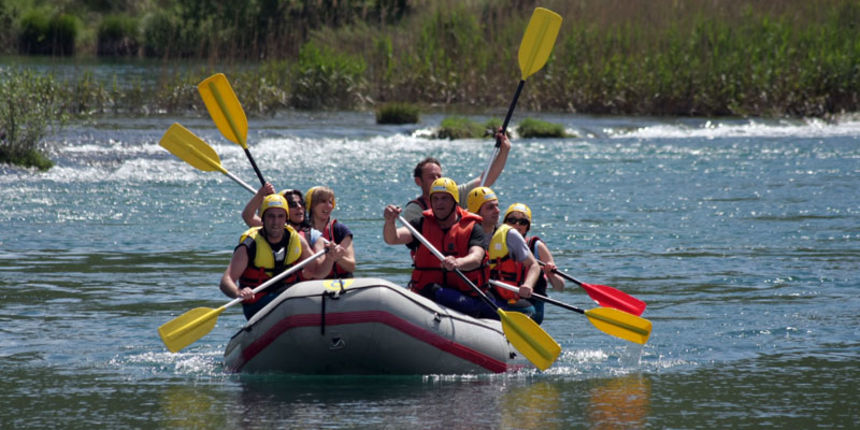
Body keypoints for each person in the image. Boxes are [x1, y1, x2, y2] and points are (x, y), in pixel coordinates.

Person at [383, 177, 495, 318]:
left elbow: (476, 257)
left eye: (444, 198)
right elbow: (393, 238)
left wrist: (458, 262)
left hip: (465, 297)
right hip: (428, 294)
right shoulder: (421, 224)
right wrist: (390, 222)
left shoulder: (473, 227)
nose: (439, 203)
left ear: (455, 201)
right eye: (435, 199)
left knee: (433, 290)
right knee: (430, 290)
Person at [220, 194, 344, 319]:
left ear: (286, 219)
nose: (276, 222)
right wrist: (238, 292)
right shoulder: (250, 245)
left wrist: (330, 258)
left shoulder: (295, 239)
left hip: (287, 297)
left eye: (280, 216)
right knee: (294, 303)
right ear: (262, 218)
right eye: (271, 216)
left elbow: (318, 271)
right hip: (259, 304)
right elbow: (226, 281)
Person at [402, 129, 512, 224]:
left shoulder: (456, 194)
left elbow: (485, 179)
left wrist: (504, 150)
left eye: (439, 176)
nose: (437, 180)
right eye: (431, 177)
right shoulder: (414, 210)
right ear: (418, 181)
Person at [466, 187, 540, 318]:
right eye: (490, 207)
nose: (497, 211)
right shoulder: (464, 231)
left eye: (497, 206)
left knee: (530, 311)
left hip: (501, 296)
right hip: (476, 290)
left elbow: (534, 265)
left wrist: (528, 285)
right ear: (477, 212)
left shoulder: (509, 235)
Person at [502, 202, 566, 324]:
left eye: (522, 222)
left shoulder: (537, 246)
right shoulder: (497, 244)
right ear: (505, 223)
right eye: (512, 220)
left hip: (532, 305)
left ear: (527, 227)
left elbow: (560, 287)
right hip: (507, 299)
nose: (517, 224)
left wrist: (551, 273)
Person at [242, 182, 322, 248]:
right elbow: (248, 216)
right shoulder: (273, 228)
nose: (299, 207)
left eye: (301, 203)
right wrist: (260, 194)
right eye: (292, 204)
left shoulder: (313, 234)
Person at [305, 185, 356, 278]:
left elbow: (351, 266)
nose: (328, 206)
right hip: (314, 282)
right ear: (312, 205)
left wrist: (338, 257)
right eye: (323, 201)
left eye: (330, 202)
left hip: (340, 279)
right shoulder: (303, 232)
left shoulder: (340, 230)